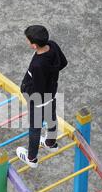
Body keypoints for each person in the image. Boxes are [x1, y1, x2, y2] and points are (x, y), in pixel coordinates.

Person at [17, 25, 68, 168]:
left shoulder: (37, 65)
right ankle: (50, 143)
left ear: (34, 45)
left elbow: (38, 88)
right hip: (51, 93)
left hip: (37, 100)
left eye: (28, 41)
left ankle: (31, 158)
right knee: (51, 118)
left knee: (35, 128)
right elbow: (63, 62)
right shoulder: (53, 45)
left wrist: (27, 91)